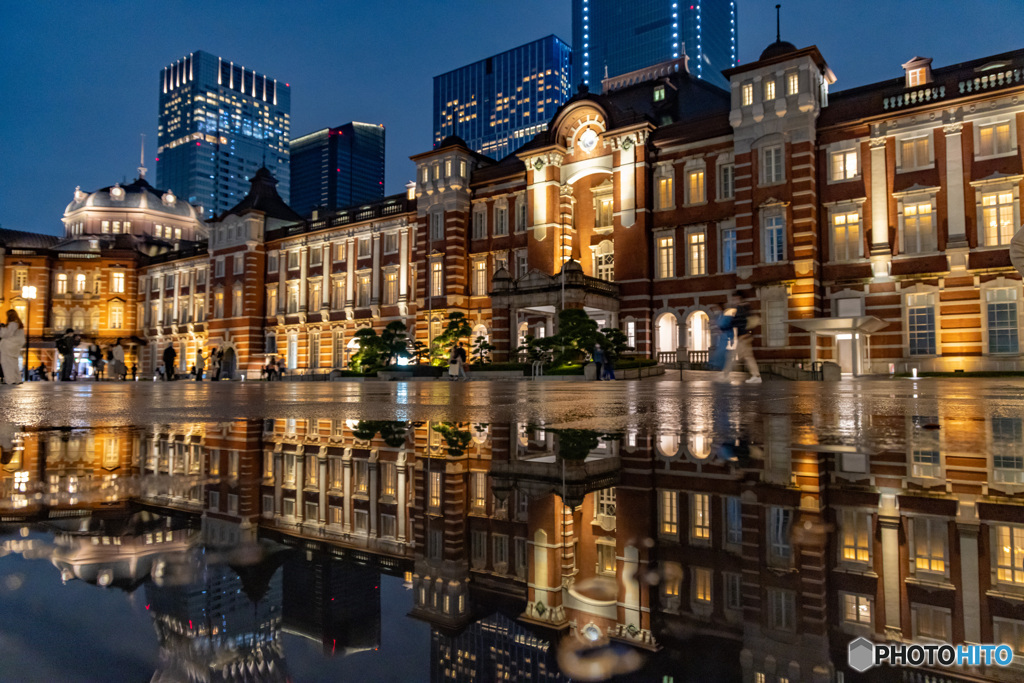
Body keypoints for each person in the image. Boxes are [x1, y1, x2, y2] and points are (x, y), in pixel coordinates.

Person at [717, 290, 762, 385]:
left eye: (734, 299)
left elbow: (738, 323)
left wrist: (725, 327)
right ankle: (756, 376)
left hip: (743, 337)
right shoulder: (743, 308)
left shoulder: (742, 309)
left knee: (732, 356)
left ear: (738, 299)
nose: (733, 301)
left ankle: (725, 375)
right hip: (745, 337)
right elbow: (737, 322)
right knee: (747, 357)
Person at [0, 310, 27, 385]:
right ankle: (17, 379)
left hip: (8, 345)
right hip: (15, 346)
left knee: (6, 362)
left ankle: (10, 379)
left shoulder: (12, 324)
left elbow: (6, 334)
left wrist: (2, 328)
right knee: (14, 362)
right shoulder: (19, 324)